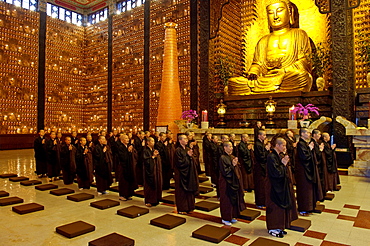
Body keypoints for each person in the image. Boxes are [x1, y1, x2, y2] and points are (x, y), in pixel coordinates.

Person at [229, 0, 312, 94]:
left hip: (287, 77)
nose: (275, 16)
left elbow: (305, 61)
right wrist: (254, 72)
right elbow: (257, 64)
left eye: (280, 10)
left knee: (302, 76)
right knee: (235, 82)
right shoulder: (263, 40)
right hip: (264, 79)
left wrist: (284, 71)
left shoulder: (299, 34)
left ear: (290, 13)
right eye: (271, 13)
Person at [266, 137, 298, 238]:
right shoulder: (271, 156)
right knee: (275, 206)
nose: (285, 147)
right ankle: (272, 227)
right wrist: (283, 164)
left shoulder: (279, 155)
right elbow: (276, 173)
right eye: (283, 145)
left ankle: (279, 226)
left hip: (281, 186)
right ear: (277, 145)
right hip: (274, 187)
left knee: (280, 207)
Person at [219, 141, 246, 226]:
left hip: (233, 182)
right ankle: (225, 218)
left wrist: (235, 165)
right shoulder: (222, 158)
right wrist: (233, 165)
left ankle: (232, 216)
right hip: (226, 182)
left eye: (231, 147)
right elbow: (225, 171)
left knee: (233, 199)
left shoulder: (232, 156)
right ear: (225, 148)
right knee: (226, 200)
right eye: (229, 147)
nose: (231, 148)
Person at [295, 128, 320, 215]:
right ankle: (303, 208)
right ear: (302, 134)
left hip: (308, 170)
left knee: (309, 189)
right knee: (304, 189)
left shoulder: (305, 143)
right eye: (308, 132)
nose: (309, 134)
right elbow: (304, 157)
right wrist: (309, 148)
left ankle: (309, 207)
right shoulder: (300, 144)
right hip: (303, 171)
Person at [174, 134, 199, 214]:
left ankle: (190, 207)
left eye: (186, 138)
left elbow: (193, 159)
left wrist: (191, 156)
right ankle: (182, 208)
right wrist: (188, 156)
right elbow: (180, 163)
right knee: (182, 191)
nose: (186, 140)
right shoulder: (178, 150)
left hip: (189, 174)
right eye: (184, 139)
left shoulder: (188, 149)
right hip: (182, 174)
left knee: (189, 190)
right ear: (180, 140)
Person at [116, 134, 137, 201]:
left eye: (128, 138)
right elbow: (122, 157)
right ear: (122, 140)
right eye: (126, 138)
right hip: (123, 166)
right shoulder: (120, 147)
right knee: (123, 181)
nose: (127, 139)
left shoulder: (128, 146)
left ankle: (128, 194)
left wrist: (130, 152)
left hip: (129, 166)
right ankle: (122, 195)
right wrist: (128, 151)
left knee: (128, 180)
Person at [143, 137, 162, 207]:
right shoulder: (145, 150)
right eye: (152, 141)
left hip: (155, 171)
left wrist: (157, 156)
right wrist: (153, 157)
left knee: (155, 184)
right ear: (148, 142)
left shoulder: (153, 150)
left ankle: (155, 199)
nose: (153, 143)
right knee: (149, 186)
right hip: (148, 172)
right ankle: (149, 200)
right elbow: (146, 161)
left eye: (154, 141)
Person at [254, 130, 270, 208]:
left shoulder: (261, 144)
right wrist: (266, 150)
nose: (265, 136)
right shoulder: (257, 144)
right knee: (260, 185)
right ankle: (260, 203)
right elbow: (261, 157)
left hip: (263, 166)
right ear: (259, 136)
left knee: (263, 185)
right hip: (259, 167)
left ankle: (263, 201)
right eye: (263, 135)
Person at [311, 129, 325, 199]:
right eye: (318, 134)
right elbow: (316, 154)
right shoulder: (312, 142)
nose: (320, 136)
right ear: (314, 135)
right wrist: (320, 150)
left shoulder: (316, 142)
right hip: (316, 164)